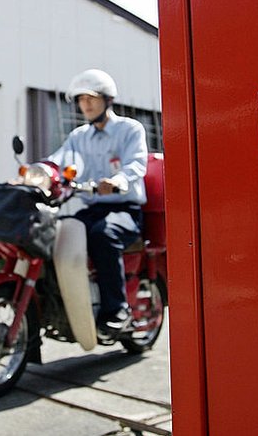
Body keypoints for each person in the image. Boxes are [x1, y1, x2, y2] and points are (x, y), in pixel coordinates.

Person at [47, 68, 148, 338]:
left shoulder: (130, 129)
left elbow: (137, 164)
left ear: (107, 99)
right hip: (92, 209)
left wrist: (118, 181)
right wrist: (37, 174)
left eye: (91, 98)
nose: (86, 104)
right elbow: (59, 160)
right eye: (81, 99)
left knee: (103, 234)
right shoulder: (78, 137)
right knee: (56, 234)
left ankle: (117, 310)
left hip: (125, 209)